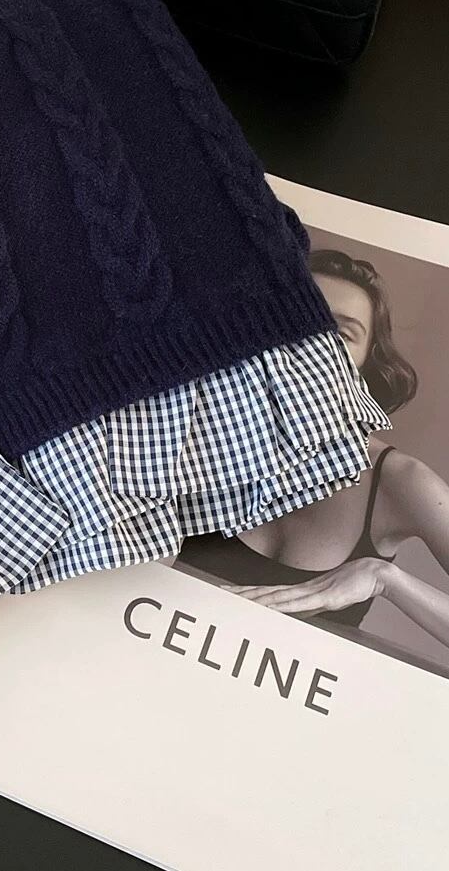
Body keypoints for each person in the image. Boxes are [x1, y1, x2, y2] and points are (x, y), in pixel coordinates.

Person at [179, 248, 449, 651]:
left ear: (367, 362)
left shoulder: (399, 481)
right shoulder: (186, 433)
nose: (314, 344)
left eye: (342, 333)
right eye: (298, 319)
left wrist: (386, 581)